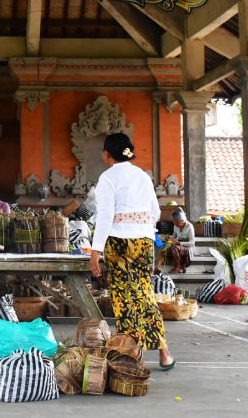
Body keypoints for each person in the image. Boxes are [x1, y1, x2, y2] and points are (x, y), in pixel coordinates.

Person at [89, 133, 175, 370]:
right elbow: (155, 212)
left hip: (119, 243)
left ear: (107, 154)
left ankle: (133, 354)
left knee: (124, 298)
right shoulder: (143, 176)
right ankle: (162, 352)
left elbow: (105, 216)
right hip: (145, 243)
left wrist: (95, 251)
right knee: (144, 293)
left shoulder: (107, 178)